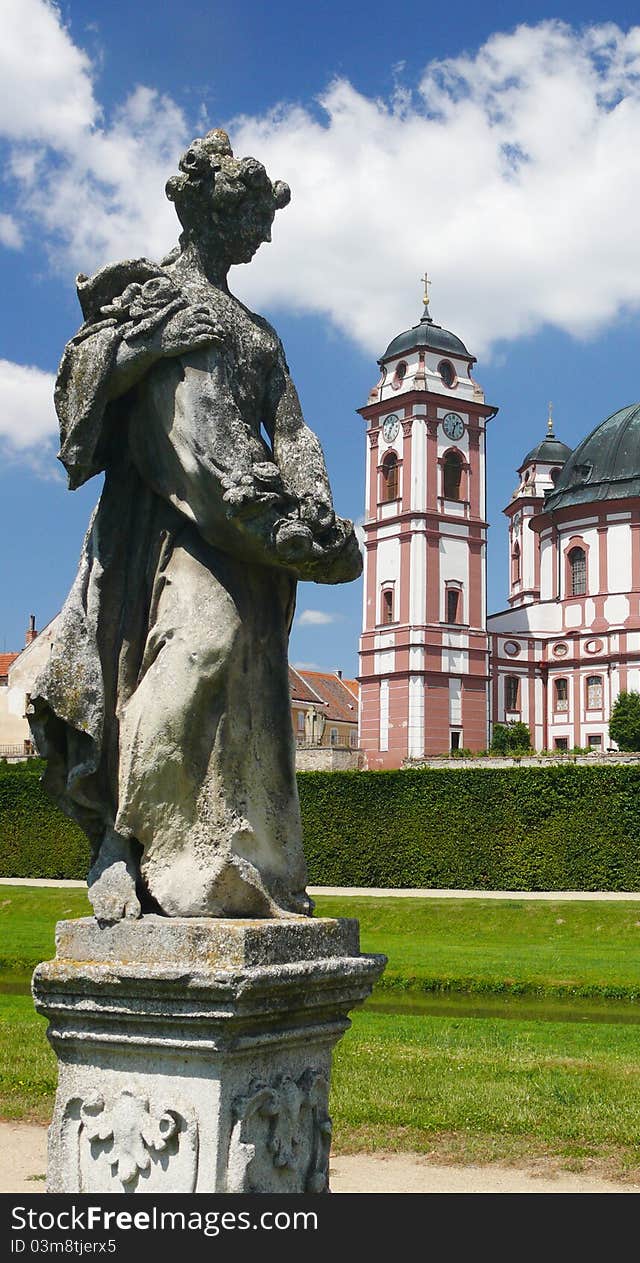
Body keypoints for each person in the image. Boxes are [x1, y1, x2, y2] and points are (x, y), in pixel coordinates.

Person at [30, 130, 361, 924]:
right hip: (165, 531)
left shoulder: (259, 332)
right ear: (213, 211)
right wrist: (146, 344)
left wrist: (313, 499)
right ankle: (122, 840)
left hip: (252, 535)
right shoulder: (151, 294)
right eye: (254, 212)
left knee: (245, 688)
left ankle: (229, 863)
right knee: (195, 652)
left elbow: (296, 430)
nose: (266, 230)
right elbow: (78, 383)